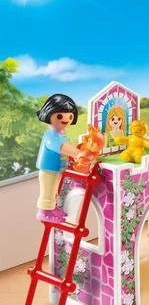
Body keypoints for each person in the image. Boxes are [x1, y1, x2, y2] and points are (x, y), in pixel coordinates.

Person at [35, 94, 93, 222]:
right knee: (48, 190)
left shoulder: (61, 133)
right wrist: (78, 153)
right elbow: (61, 147)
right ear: (48, 114)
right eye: (60, 116)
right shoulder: (51, 135)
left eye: (70, 116)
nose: (66, 120)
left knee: (54, 189)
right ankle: (44, 212)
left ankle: (51, 208)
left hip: (57, 168)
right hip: (49, 168)